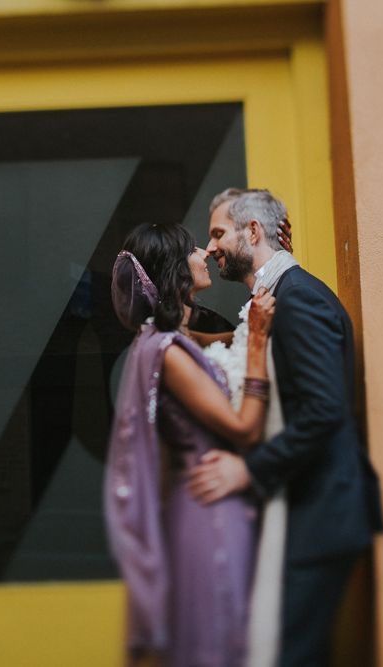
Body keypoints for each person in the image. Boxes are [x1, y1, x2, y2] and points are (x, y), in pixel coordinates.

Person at [188, 188, 383, 666]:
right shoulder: (276, 299)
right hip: (300, 507)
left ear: (253, 232)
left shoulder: (299, 301)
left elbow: (323, 412)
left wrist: (246, 471)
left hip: (320, 510)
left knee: (293, 655)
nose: (211, 247)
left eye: (218, 233)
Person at [104, 222, 276, 667]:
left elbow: (219, 342)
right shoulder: (167, 353)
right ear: (176, 271)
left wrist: (273, 261)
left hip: (197, 504)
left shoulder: (165, 340)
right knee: (216, 637)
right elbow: (243, 430)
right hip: (208, 507)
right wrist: (257, 341)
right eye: (191, 249)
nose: (203, 253)